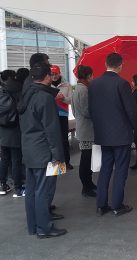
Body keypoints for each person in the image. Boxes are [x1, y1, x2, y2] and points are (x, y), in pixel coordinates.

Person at [19, 62, 67, 238]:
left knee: (32, 190)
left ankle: (33, 225)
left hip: (29, 149)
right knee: (43, 190)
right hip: (45, 151)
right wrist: (58, 155)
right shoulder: (44, 98)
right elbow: (51, 130)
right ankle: (44, 228)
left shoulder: (26, 94)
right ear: (47, 77)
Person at [89, 52, 137, 216]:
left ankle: (101, 205)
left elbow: (92, 110)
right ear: (120, 65)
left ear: (106, 64)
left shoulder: (94, 84)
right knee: (120, 170)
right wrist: (136, 127)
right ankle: (117, 205)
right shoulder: (122, 84)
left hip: (103, 134)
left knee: (105, 169)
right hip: (121, 135)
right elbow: (131, 110)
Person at [0, 68, 29, 197]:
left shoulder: (2, 91)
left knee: (4, 159)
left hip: (2, 131)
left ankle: (2, 186)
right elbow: (21, 108)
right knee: (16, 160)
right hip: (15, 131)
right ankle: (18, 188)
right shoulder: (17, 90)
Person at [71, 65, 97, 197]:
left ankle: (89, 184)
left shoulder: (78, 89)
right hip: (87, 130)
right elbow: (87, 111)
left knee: (87, 158)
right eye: (91, 75)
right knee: (86, 159)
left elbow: (75, 111)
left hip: (83, 128)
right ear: (88, 76)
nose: (92, 78)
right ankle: (86, 186)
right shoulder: (83, 90)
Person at [51, 65, 73, 170]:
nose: (54, 76)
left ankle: (66, 163)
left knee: (64, 139)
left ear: (59, 73)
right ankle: (57, 166)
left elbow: (71, 100)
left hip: (63, 115)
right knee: (54, 140)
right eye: (52, 74)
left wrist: (63, 98)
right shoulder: (47, 85)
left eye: (56, 74)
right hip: (50, 115)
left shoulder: (66, 85)